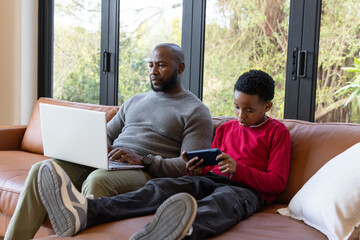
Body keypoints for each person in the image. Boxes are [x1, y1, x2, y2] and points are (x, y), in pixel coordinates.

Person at [37, 69, 291, 240]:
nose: (240, 116)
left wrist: (238, 170)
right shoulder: (225, 128)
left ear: (267, 106)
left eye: (249, 110)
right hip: (210, 179)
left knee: (219, 204)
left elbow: (277, 183)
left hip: (246, 190)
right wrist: (196, 166)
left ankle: (173, 232)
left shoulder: (277, 133)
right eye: (236, 107)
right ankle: (86, 211)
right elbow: (207, 167)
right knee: (159, 188)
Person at [4, 43, 214, 240]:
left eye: (162, 65)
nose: (153, 71)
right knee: (43, 169)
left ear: (181, 68)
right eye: (150, 64)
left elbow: (188, 165)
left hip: (144, 171)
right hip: (108, 162)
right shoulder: (135, 101)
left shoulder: (196, 111)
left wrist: (144, 159)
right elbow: (105, 133)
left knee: (98, 180)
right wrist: (99, 146)